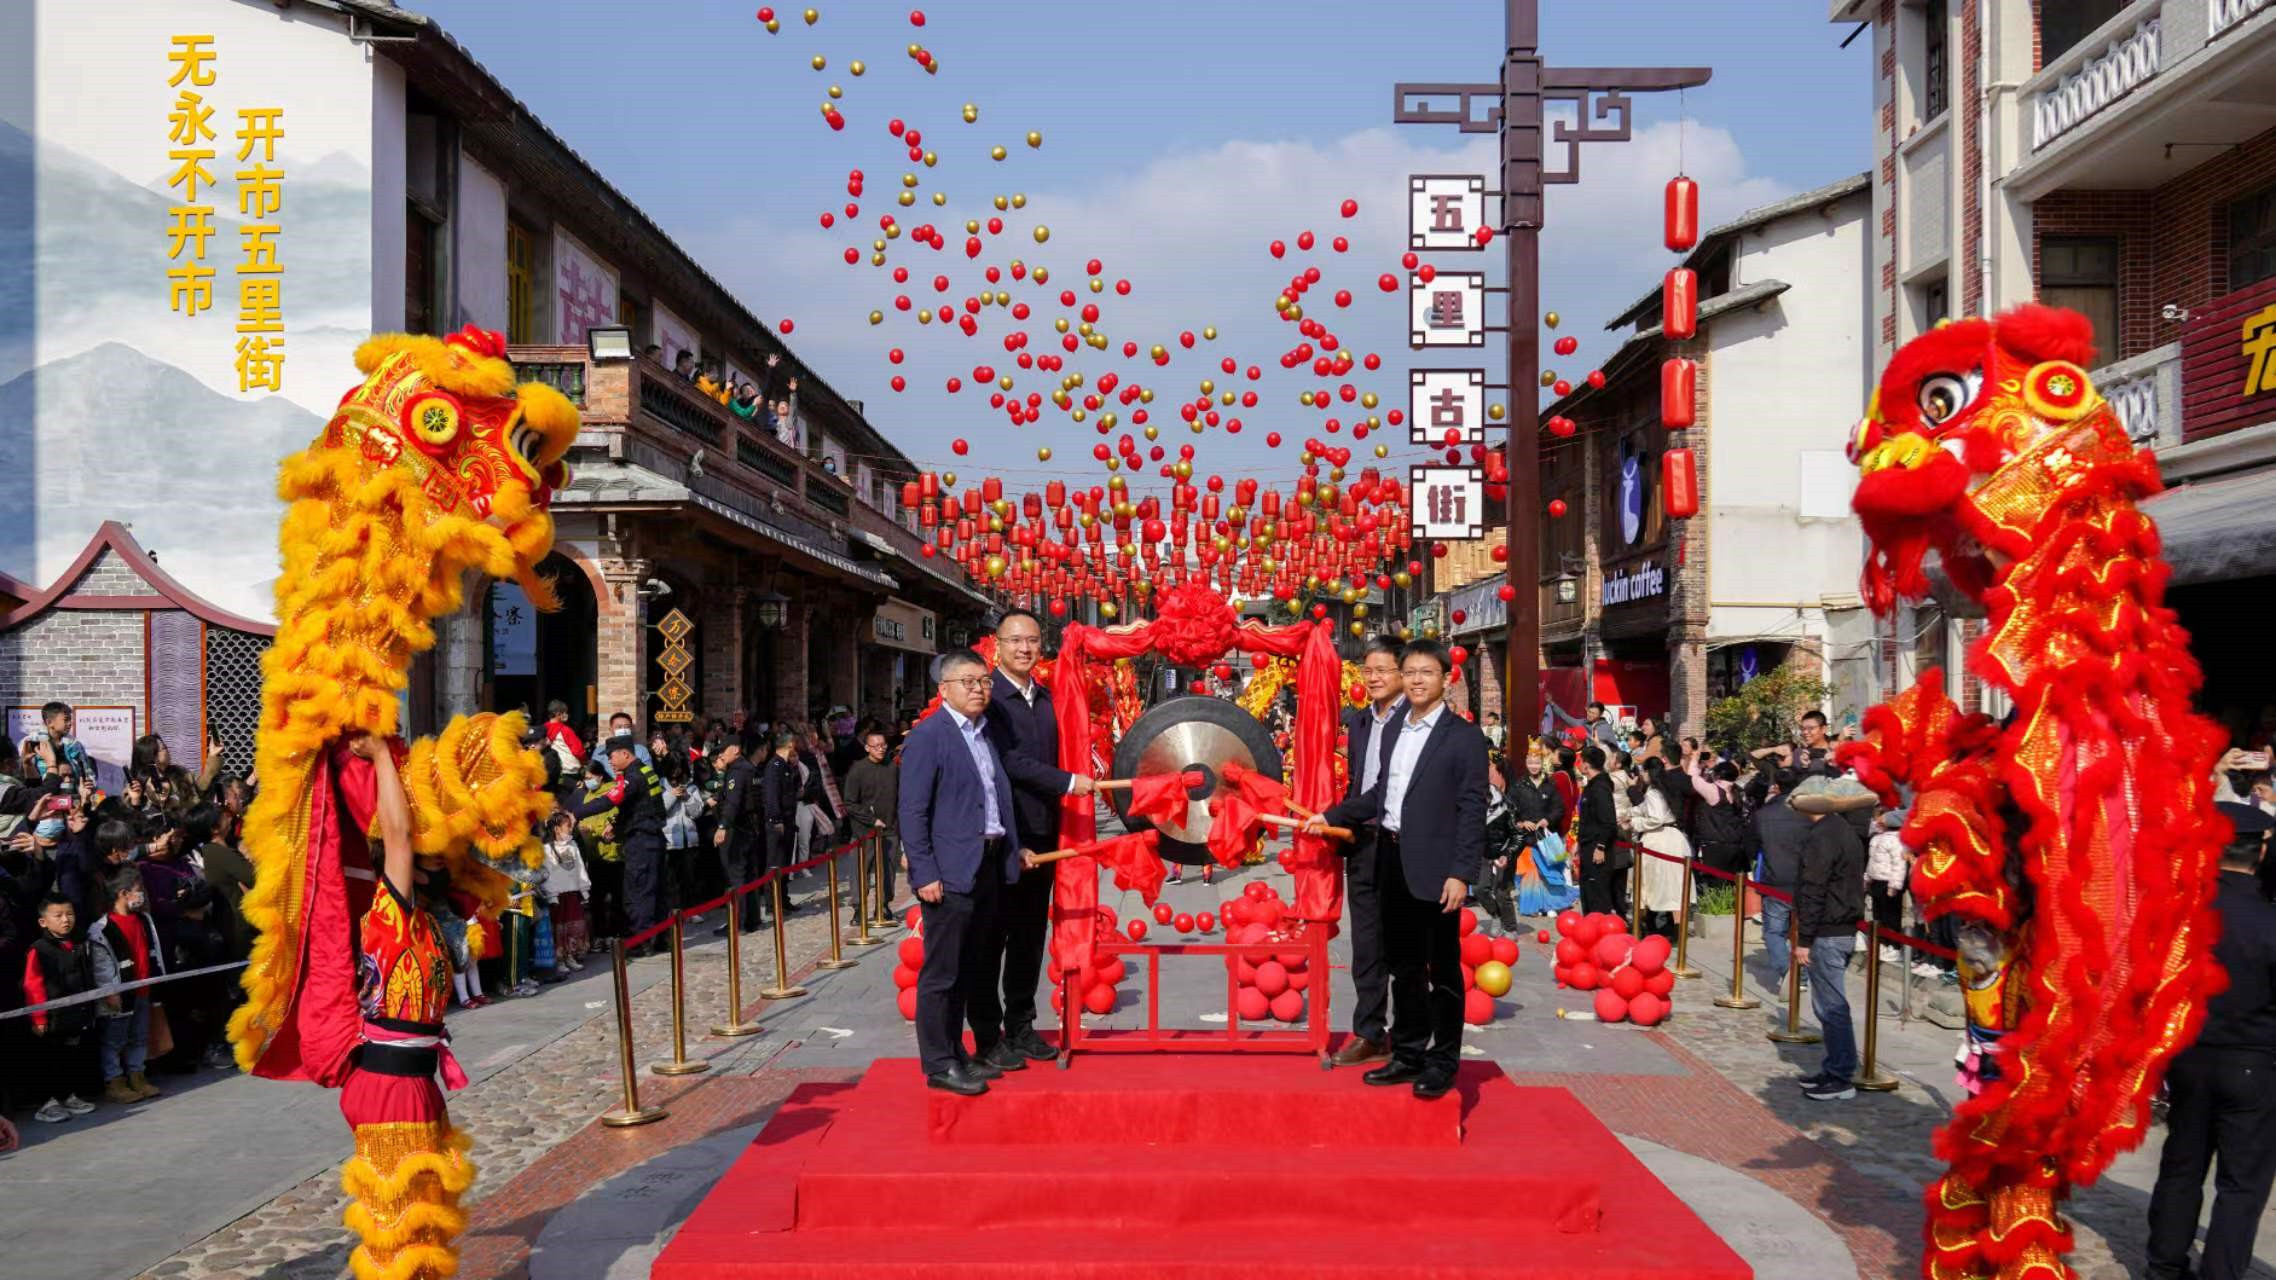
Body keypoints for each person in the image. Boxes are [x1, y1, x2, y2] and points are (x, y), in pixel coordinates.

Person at [1309, 639, 1487, 1100]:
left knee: (1441, 970)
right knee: (1403, 966)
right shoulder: (1390, 731)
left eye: (1427, 672)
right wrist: (1331, 816)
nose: (1417, 680)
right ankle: (1407, 1054)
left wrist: (1462, 872)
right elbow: (1379, 796)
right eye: (1410, 672)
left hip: (1435, 867)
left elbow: (1472, 808)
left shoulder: (1463, 737)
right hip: (1389, 859)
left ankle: (1442, 1061)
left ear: (1445, 679)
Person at [2145, 803, 2276, 1280]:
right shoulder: (2266, 920)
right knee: (2241, 1184)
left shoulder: (2181, 913)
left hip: (2189, 1055)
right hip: (2253, 1063)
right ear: (2260, 852)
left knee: (2183, 1165)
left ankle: (2163, 1265)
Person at [897, 649, 1022, 1095]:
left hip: (987, 863)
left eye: (984, 681)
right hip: (949, 872)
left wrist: (1013, 849)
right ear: (944, 689)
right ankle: (938, 1062)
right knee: (941, 973)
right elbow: (912, 811)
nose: (978, 689)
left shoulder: (983, 734)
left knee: (970, 966)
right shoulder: (930, 736)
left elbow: (993, 800)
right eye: (968, 682)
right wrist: (924, 872)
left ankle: (958, 1051)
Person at [979, 609, 1097, 1067]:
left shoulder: (1047, 698)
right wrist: (1069, 782)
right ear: (997, 645)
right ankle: (989, 1037)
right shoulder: (988, 699)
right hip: (1004, 837)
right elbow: (1008, 762)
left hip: (1046, 834)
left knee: (1029, 936)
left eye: (1031, 640)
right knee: (994, 938)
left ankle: (1022, 1026)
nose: (1024, 648)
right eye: (1015, 640)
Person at [1332, 636, 1404, 1068]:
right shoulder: (1358, 723)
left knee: (1406, 947)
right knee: (1365, 946)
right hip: (1363, 844)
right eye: (1368, 670)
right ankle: (1370, 1032)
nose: (1373, 678)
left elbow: (1385, 791)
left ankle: (1411, 1034)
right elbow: (1359, 782)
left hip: (1401, 845)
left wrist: (1334, 812)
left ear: (1403, 672)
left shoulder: (1413, 723)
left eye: (1382, 670)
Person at [1789, 775, 1873, 1102]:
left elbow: (1814, 888)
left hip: (1828, 930)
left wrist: (1804, 939)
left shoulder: (1824, 836)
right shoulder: (1842, 831)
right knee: (1828, 1004)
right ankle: (1834, 1065)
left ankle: (1840, 1074)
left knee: (1832, 1005)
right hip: (1839, 926)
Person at [563, 736, 668, 958]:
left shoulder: (633, 777)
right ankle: (660, 939)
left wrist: (576, 813)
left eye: (611, 756)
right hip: (652, 838)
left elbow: (610, 800)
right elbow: (637, 806)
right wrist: (617, 826)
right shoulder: (645, 771)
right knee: (655, 890)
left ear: (625, 754)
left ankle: (641, 941)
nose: (609, 762)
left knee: (637, 891)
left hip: (641, 840)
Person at [87, 866, 166, 1104]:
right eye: (138, 890)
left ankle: (137, 1076)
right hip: (120, 994)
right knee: (114, 1040)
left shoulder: (144, 919)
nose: (141, 895)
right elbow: (101, 966)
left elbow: (154, 952)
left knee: (139, 1036)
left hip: (143, 989)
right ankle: (115, 1081)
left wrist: (158, 978)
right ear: (123, 893)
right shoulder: (101, 929)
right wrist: (110, 992)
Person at [21, 894, 99, 1122]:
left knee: (69, 1058)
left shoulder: (78, 943)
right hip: (51, 1019)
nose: (66, 920)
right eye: (58, 915)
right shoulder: (39, 949)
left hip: (75, 1015)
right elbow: (32, 985)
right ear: (43, 922)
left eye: (70, 914)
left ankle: (68, 1096)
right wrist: (39, 1018)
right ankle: (47, 1103)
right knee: (49, 1061)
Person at [1751, 767, 1811, 989]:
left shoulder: (1763, 814)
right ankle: (1800, 974)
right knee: (1802, 930)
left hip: (1775, 878)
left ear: (1776, 786)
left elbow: (1751, 846)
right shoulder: (1808, 813)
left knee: (1774, 931)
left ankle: (1790, 972)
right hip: (1804, 880)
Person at [1629, 757, 1692, 941]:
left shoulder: (1653, 792)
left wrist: (1634, 822)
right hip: (1676, 840)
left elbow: (1655, 818)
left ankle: (1644, 927)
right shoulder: (1669, 788)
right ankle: (1678, 930)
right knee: (1675, 886)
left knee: (1648, 885)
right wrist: (1631, 813)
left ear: (1649, 772)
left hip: (1659, 841)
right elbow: (1644, 808)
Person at [840, 729, 901, 916]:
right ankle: (859, 908)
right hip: (863, 831)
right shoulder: (857, 770)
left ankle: (883, 905)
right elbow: (850, 802)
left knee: (888, 868)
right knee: (860, 869)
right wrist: (871, 819)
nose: (881, 749)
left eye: (883, 745)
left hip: (890, 828)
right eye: (876, 746)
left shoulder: (893, 768)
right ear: (867, 748)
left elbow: (901, 796)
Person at [711, 742, 766, 932]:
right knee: (750, 875)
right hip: (751, 827)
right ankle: (752, 919)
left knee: (736, 876)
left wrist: (722, 826)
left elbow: (733, 802)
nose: (721, 756)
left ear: (735, 749)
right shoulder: (750, 769)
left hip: (737, 829)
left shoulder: (737, 771)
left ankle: (737, 922)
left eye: (723, 751)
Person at [540, 811, 590, 970]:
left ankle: (571, 955)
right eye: (568, 825)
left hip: (572, 892)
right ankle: (559, 958)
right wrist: (551, 894)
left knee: (574, 926)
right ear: (556, 829)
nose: (571, 828)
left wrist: (584, 888)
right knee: (559, 928)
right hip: (558, 895)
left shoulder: (573, 845)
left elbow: (580, 867)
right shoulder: (547, 849)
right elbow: (547, 874)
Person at [1573, 746, 1619, 914]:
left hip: (1597, 850)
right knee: (1587, 893)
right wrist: (1578, 842)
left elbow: (1609, 822)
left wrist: (1601, 846)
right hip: (1586, 845)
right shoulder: (1591, 786)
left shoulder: (1600, 788)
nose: (1579, 764)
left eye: (1581, 761)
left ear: (1586, 765)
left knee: (1597, 896)